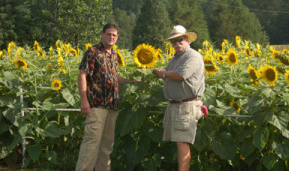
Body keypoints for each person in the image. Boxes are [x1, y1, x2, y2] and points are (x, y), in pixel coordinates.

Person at [76, 23, 140, 171]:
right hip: (96, 105)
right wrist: (84, 100)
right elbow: (82, 76)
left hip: (112, 106)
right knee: (91, 144)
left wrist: (133, 82)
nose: (111, 37)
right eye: (109, 34)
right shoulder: (92, 52)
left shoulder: (114, 55)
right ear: (103, 35)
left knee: (106, 146)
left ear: (117, 37)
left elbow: (114, 77)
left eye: (114, 35)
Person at [153, 25, 206, 171]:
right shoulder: (176, 58)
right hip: (176, 105)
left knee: (182, 142)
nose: (176, 43)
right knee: (179, 142)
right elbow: (168, 71)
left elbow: (181, 75)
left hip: (186, 106)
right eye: (173, 41)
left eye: (179, 40)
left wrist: (163, 74)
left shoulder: (192, 56)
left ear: (187, 39)